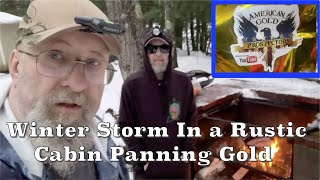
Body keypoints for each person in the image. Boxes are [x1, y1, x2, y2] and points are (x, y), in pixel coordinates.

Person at [0, 0, 129, 179]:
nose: (77, 84)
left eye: (93, 62)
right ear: (16, 66)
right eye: (56, 56)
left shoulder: (106, 149)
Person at [118, 27, 197, 179]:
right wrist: (143, 158)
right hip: (147, 171)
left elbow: (191, 118)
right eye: (152, 49)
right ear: (146, 54)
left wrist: (186, 152)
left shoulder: (183, 82)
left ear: (170, 52)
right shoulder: (132, 85)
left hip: (177, 168)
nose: (158, 54)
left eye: (164, 48)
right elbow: (125, 125)